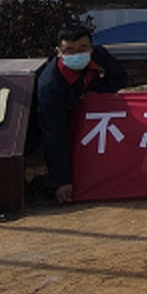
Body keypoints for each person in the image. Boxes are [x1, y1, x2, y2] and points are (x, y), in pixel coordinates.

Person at [33, 23, 130, 203]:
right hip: (58, 121)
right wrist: (62, 181)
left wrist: (97, 94)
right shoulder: (49, 85)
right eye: (69, 50)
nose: (77, 55)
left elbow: (120, 77)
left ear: (91, 48)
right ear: (59, 52)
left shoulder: (100, 56)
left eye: (82, 48)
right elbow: (54, 134)